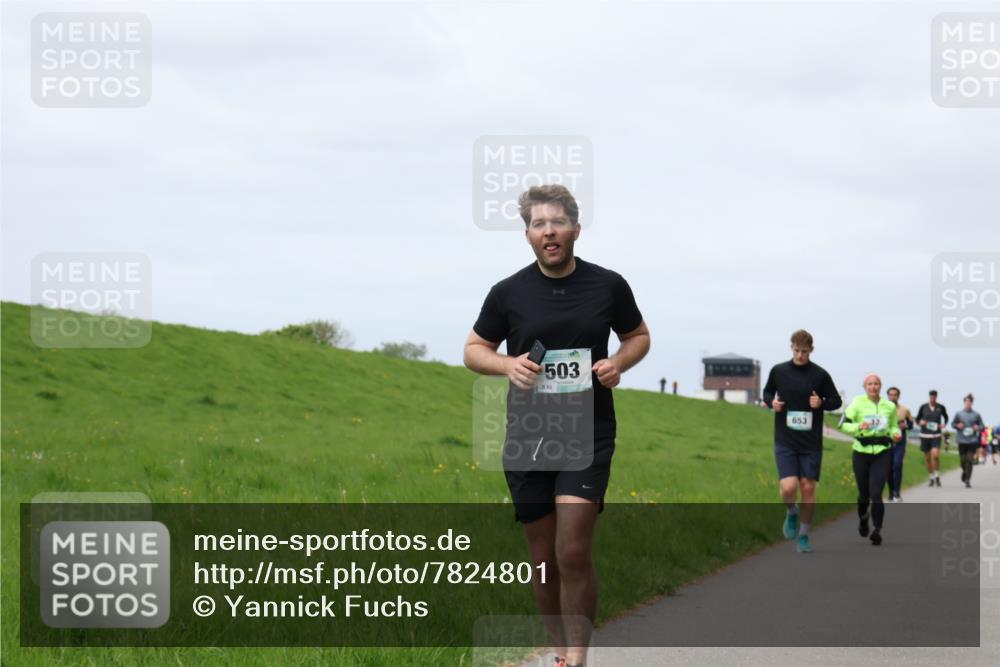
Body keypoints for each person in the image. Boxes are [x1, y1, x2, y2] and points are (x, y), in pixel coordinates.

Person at [464, 184, 650, 667]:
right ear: (528, 234)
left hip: (587, 433)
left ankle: (577, 658)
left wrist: (619, 364)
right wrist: (508, 365)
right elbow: (473, 350)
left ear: (575, 230)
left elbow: (638, 336)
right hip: (527, 436)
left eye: (558, 223)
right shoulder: (508, 293)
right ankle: (560, 651)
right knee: (544, 560)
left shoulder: (607, 285)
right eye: (539, 224)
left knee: (571, 550)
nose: (549, 232)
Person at [762, 329, 842, 553]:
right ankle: (791, 512)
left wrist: (821, 403)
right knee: (788, 487)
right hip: (785, 438)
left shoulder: (820, 375)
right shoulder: (778, 371)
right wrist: (772, 403)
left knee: (807, 488)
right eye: (796, 351)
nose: (800, 356)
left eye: (804, 352)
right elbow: (767, 393)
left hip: (811, 442)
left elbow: (836, 400)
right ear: (791, 348)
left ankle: (804, 535)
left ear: (812, 350)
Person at [838, 374, 903, 546]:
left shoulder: (888, 406)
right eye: (870, 384)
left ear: (880, 386)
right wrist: (858, 426)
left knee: (876, 494)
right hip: (861, 452)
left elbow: (893, 425)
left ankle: (877, 530)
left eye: (876, 384)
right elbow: (843, 424)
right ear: (865, 387)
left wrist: (896, 433)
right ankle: (863, 518)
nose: (873, 387)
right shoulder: (857, 403)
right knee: (864, 495)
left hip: (883, 452)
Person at [885, 386, 914, 502]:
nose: (892, 397)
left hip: (900, 442)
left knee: (897, 465)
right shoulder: (883, 408)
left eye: (895, 395)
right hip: (886, 441)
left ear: (898, 396)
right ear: (888, 396)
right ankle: (891, 492)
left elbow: (911, 424)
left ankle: (897, 492)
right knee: (888, 468)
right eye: (890, 395)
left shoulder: (904, 409)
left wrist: (906, 426)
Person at [915, 390, 949, 487]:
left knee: (936, 456)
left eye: (934, 397)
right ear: (929, 397)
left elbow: (946, 417)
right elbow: (917, 419)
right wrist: (920, 422)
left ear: (936, 397)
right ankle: (931, 476)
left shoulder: (941, 407)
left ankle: (937, 475)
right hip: (925, 435)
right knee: (928, 458)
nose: (933, 398)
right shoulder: (923, 407)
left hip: (936, 435)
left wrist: (944, 424)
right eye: (931, 396)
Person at [952, 394, 985, 488]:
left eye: (969, 402)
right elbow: (953, 424)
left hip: (972, 440)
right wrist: (957, 426)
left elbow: (982, 426)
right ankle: (965, 472)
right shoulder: (959, 414)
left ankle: (967, 480)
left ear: (972, 403)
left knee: (970, 460)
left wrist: (978, 427)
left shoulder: (976, 415)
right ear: (964, 402)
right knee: (963, 460)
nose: (968, 403)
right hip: (962, 440)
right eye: (966, 402)